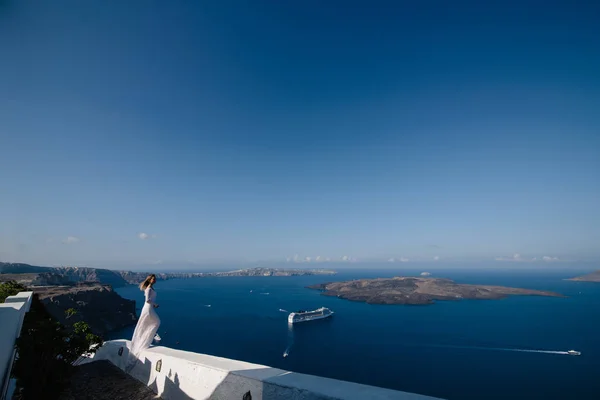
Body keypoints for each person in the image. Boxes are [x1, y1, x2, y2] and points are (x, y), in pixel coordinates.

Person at [127, 274, 161, 370]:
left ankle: (145, 340)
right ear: (149, 280)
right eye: (153, 279)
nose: (154, 280)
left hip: (149, 308)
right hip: (148, 309)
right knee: (156, 322)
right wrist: (155, 304)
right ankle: (144, 341)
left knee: (149, 324)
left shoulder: (151, 288)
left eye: (155, 279)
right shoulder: (149, 288)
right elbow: (147, 300)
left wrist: (153, 304)